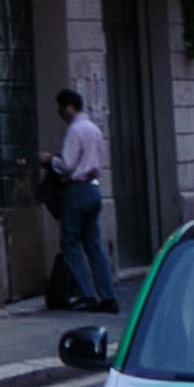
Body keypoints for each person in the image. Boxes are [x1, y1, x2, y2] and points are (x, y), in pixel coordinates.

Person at [47, 83, 117, 312]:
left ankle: (87, 293)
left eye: (60, 109)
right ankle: (108, 296)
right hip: (93, 189)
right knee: (94, 246)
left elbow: (67, 165)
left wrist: (49, 160)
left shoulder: (75, 130)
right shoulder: (94, 129)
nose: (59, 114)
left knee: (69, 244)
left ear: (69, 107)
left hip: (76, 190)